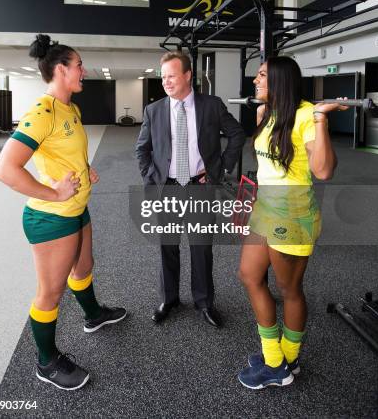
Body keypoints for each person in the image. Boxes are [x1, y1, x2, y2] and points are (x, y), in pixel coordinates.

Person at [0, 34, 127, 391]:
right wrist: (52, 193)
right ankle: (46, 361)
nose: (85, 70)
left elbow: (65, 151)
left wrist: (85, 169)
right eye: (79, 64)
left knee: (84, 268)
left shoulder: (71, 108)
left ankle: (93, 315)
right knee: (49, 294)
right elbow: (6, 170)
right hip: (51, 218)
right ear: (61, 69)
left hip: (77, 209)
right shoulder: (42, 112)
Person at [237, 56, 348, 389]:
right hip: (265, 210)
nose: (255, 81)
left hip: (293, 217)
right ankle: (276, 357)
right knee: (248, 275)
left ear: (280, 81)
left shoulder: (304, 116)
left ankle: (285, 360)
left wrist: (319, 121)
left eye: (261, 76)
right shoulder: (265, 113)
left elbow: (324, 170)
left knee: (290, 291)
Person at [135, 51, 245, 328]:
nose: (166, 82)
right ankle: (168, 299)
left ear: (187, 76)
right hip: (167, 188)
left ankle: (204, 302)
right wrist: (151, 178)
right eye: (163, 77)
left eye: (171, 76)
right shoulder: (154, 110)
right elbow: (142, 148)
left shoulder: (211, 105)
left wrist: (219, 169)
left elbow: (237, 134)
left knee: (201, 248)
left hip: (200, 187)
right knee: (167, 247)